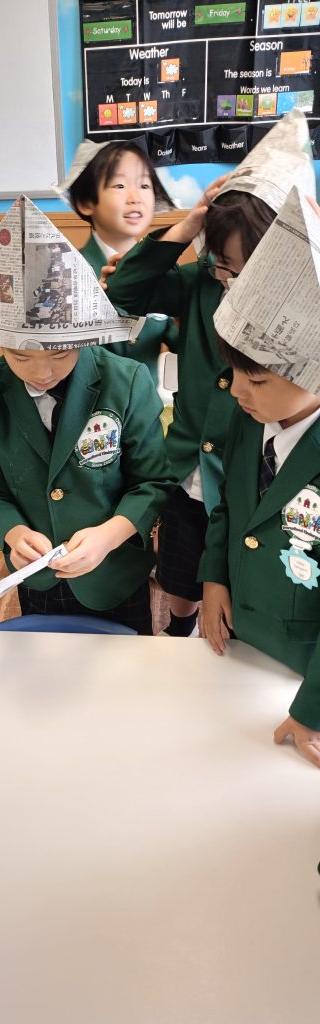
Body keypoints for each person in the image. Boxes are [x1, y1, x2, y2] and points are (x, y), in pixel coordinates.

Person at [104, 110, 315, 638]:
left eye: (243, 269)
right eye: (222, 264)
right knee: (180, 573)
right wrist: (192, 223)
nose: (230, 280)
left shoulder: (302, 305)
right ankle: (180, 627)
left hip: (249, 478)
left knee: (242, 573)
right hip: (186, 468)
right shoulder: (203, 282)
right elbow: (124, 291)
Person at [0, 196, 171, 635]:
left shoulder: (125, 381)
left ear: (84, 338)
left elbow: (153, 482)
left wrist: (110, 535)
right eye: (20, 357)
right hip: (36, 575)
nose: (42, 373)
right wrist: (13, 532)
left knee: (124, 666)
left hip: (114, 575)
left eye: (60, 354)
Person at [199, 186, 320, 767]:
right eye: (235, 374)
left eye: (259, 380)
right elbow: (229, 503)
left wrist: (312, 710)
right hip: (244, 648)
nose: (239, 393)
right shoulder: (249, 418)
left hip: (302, 670)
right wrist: (214, 577)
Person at [58, 137, 176, 387]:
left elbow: (179, 339)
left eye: (144, 185)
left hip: (146, 405)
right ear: (86, 202)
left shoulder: (163, 270)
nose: (135, 197)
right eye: (120, 185)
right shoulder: (68, 272)